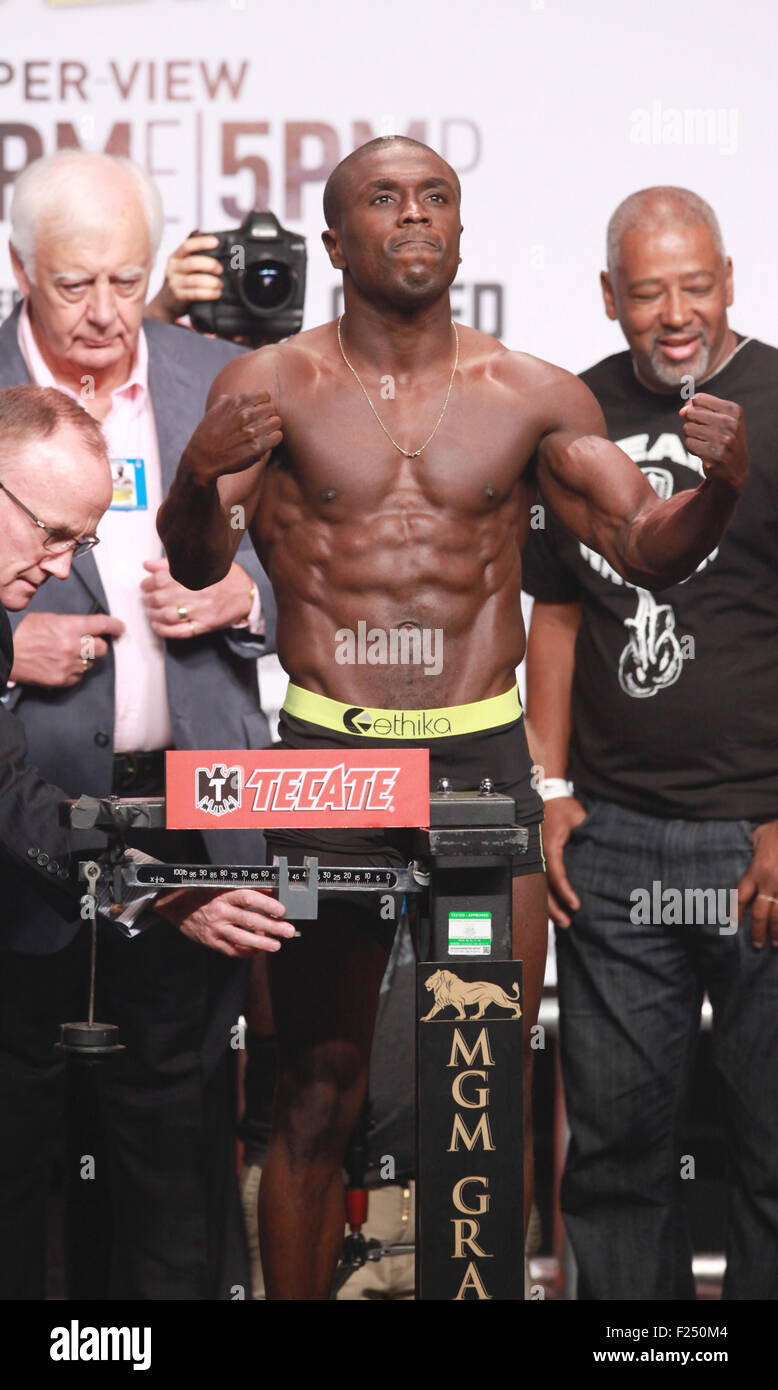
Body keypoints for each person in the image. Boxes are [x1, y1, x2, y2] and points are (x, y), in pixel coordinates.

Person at [158, 138, 748, 1301]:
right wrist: (189, 479)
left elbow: (643, 550)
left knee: (482, 1080)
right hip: (333, 762)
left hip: (479, 761)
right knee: (318, 1085)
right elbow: (194, 558)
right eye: (384, 199)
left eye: (437, 198)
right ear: (335, 243)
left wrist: (717, 491)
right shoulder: (267, 385)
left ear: (463, 234)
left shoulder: (531, 393)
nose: (415, 215)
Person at [0, 149, 280, 1301]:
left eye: (131, 279)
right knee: (19, 1152)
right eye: (78, 285)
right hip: (23, 814)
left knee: (172, 1152)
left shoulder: (217, 378)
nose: (110, 312)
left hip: (186, 809)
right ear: (22, 270)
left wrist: (240, 594)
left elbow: (300, 568)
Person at [523, 186, 778, 1300]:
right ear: (608, 295)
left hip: (758, 842)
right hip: (614, 839)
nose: (674, 312)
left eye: (693, 284)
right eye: (645, 291)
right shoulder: (572, 410)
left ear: (727, 279)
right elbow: (557, 611)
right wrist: (548, 784)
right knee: (619, 1157)